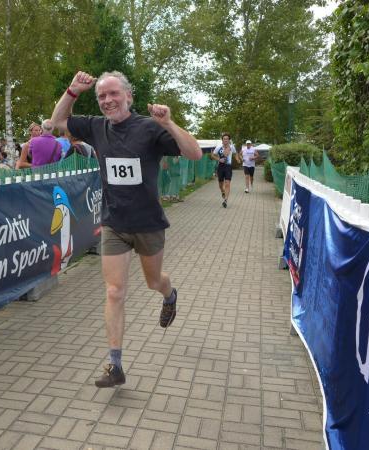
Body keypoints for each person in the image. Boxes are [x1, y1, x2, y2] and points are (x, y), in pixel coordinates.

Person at [51, 71, 202, 388]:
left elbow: (195, 153)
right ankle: (115, 365)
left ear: (129, 97)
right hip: (114, 224)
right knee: (114, 291)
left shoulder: (150, 128)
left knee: (153, 281)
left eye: (113, 94)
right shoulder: (96, 127)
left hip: (148, 224)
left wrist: (169, 123)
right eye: (102, 96)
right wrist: (73, 91)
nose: (107, 100)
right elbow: (57, 121)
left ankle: (169, 294)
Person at [211, 133, 240, 208]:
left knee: (227, 183)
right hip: (220, 166)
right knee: (221, 184)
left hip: (228, 166)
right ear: (222, 140)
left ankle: (225, 200)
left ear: (229, 140)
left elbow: (235, 153)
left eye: (227, 139)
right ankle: (222, 191)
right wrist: (219, 159)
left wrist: (237, 159)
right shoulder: (219, 147)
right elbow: (213, 155)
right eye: (224, 139)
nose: (226, 140)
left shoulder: (231, 147)